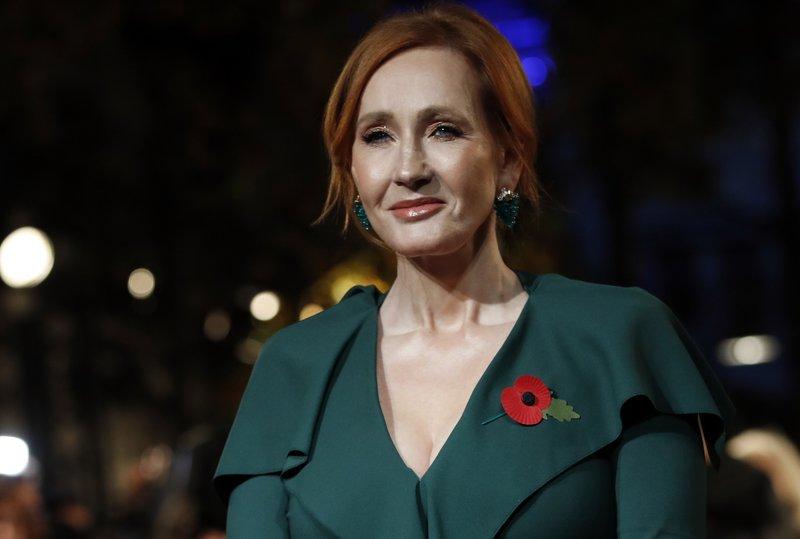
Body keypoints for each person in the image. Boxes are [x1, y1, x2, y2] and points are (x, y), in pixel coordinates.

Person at [213, 3, 736, 537]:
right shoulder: (294, 367)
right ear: (351, 170)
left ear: (508, 159)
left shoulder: (618, 339)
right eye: (377, 136)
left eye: (443, 130)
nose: (409, 168)